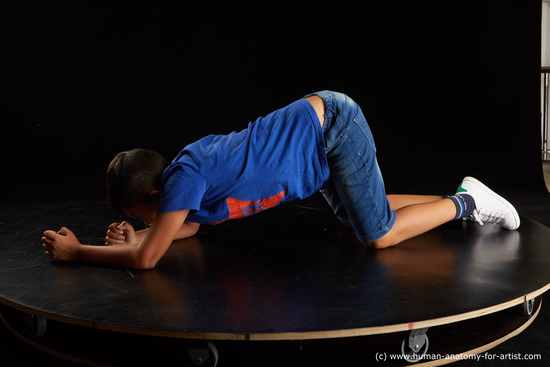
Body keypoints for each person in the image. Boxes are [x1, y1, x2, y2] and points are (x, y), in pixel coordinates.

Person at [41, 91, 520, 269]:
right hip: (317, 141)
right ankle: (447, 201)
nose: (146, 219)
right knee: (360, 216)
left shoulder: (183, 179)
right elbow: (183, 229)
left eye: (138, 214)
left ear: (152, 193)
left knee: (377, 236)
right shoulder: (180, 186)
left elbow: (149, 260)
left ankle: (467, 201)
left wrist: (78, 251)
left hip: (330, 125)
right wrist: (138, 232)